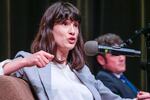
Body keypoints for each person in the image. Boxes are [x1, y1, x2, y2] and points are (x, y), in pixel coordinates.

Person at [0, 1, 150, 100]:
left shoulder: (81, 70)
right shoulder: (32, 63)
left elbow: (108, 97)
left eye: (76, 25)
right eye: (65, 24)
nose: (73, 31)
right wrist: (26, 61)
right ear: (49, 29)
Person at [95, 33, 150, 99]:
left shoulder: (120, 77)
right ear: (101, 60)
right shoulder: (103, 79)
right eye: (115, 54)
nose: (122, 58)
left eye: (123, 53)